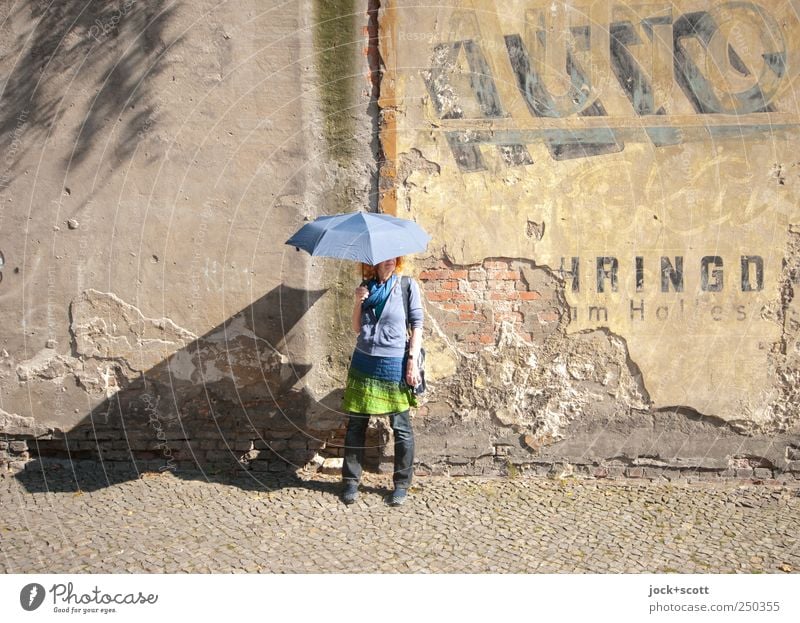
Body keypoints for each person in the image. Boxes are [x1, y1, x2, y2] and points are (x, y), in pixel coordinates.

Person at [340, 256, 423, 506]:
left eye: (393, 258)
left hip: (393, 363)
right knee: (356, 425)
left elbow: (417, 325)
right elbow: (357, 328)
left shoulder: (406, 286)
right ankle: (351, 482)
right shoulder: (366, 287)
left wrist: (412, 361)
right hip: (363, 362)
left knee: (401, 427)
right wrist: (358, 301)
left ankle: (401, 484)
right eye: (383, 258)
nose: (389, 261)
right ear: (373, 262)